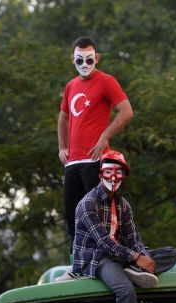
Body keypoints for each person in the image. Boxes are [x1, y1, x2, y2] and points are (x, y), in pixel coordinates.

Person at [55, 150, 176, 303]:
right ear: (101, 173)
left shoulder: (123, 205)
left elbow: (134, 239)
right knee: (124, 290)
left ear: (123, 176)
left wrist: (142, 255)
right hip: (98, 258)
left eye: (118, 172)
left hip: (123, 256)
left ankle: (134, 270)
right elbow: (103, 243)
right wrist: (136, 258)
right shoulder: (87, 203)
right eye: (109, 171)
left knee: (171, 254)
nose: (113, 177)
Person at [57, 36, 134, 252]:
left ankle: (107, 259)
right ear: (72, 60)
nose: (84, 65)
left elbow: (127, 111)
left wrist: (105, 136)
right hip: (72, 163)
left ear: (97, 58)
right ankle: (78, 264)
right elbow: (63, 117)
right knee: (71, 216)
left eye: (89, 60)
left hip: (95, 161)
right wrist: (62, 148)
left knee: (98, 217)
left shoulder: (106, 81)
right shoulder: (70, 86)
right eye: (79, 60)